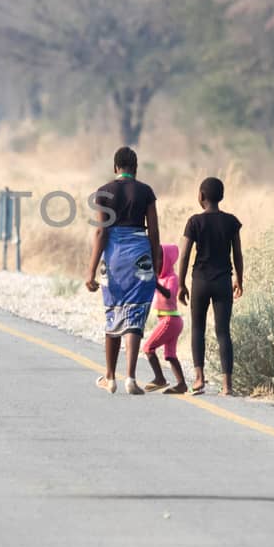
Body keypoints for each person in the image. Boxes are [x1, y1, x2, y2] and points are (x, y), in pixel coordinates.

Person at [83, 146, 161, 395]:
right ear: (135, 168)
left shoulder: (104, 191)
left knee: (113, 312)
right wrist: (156, 263)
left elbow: (101, 231)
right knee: (135, 314)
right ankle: (130, 377)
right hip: (140, 257)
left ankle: (109, 377)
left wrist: (91, 271)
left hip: (114, 257)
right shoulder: (146, 191)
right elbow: (155, 232)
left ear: (115, 168)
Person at [176, 177, 244, 396]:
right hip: (223, 280)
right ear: (221, 197)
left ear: (201, 197)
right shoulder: (231, 222)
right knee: (223, 332)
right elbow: (238, 254)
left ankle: (199, 378)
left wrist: (181, 283)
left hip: (201, 281)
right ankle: (227, 385)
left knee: (198, 328)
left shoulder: (194, 222)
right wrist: (239, 280)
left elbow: (185, 254)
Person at [142, 243, 188, 394]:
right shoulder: (160, 278)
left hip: (171, 320)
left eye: (161, 259)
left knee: (148, 348)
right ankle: (181, 384)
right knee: (170, 355)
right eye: (156, 259)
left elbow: (169, 294)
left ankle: (160, 378)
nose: (158, 263)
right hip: (167, 320)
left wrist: (156, 284)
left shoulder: (172, 278)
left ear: (168, 261)